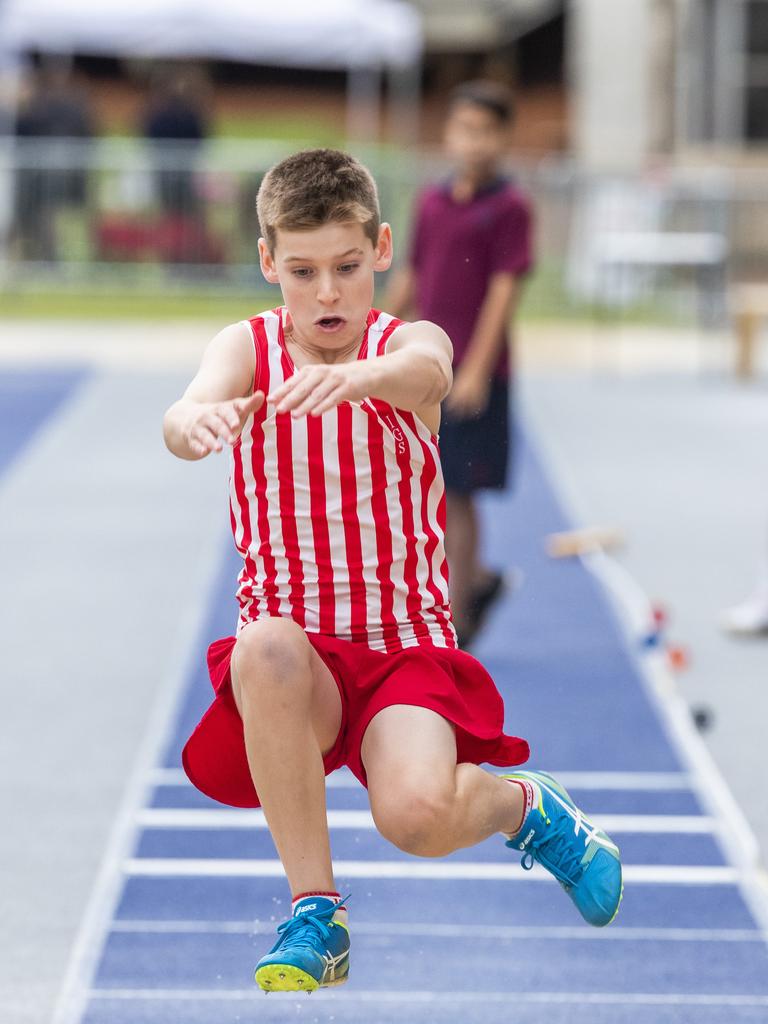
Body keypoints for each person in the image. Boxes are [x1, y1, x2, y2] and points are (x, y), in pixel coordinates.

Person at [163, 148, 622, 995]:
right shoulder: (248, 347)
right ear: (270, 263)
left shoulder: (406, 345)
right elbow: (187, 404)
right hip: (301, 653)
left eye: (345, 267)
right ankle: (316, 914)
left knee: (415, 816)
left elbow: (430, 369)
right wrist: (195, 422)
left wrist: (360, 379)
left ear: (380, 248)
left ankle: (528, 808)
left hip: (403, 647)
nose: (327, 293)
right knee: (261, 645)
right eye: (302, 272)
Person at [387, 80, 533, 647]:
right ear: (447, 133)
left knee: (459, 490)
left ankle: (460, 613)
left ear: (502, 137)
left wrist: (474, 368)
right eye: (463, 128)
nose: (473, 141)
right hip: (426, 364)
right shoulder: (431, 200)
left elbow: (503, 291)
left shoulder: (510, 207)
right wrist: (373, 327)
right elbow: (414, 276)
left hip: (476, 373)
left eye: (486, 130)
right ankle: (477, 582)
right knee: (424, 483)